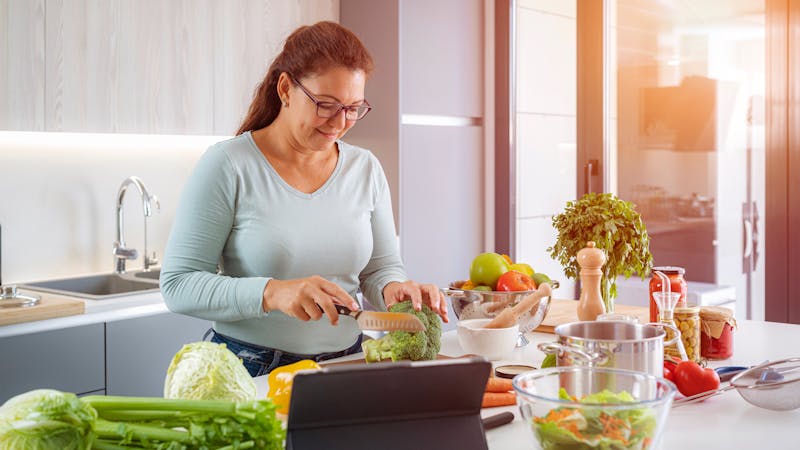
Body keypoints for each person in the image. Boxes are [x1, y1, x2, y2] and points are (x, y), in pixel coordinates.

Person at [160, 21, 448, 377]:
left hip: (349, 362)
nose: (340, 122)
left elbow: (378, 269)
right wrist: (273, 293)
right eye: (326, 105)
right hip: (252, 368)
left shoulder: (365, 168)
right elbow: (178, 284)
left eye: (354, 108)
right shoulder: (229, 164)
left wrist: (395, 289)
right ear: (285, 89)